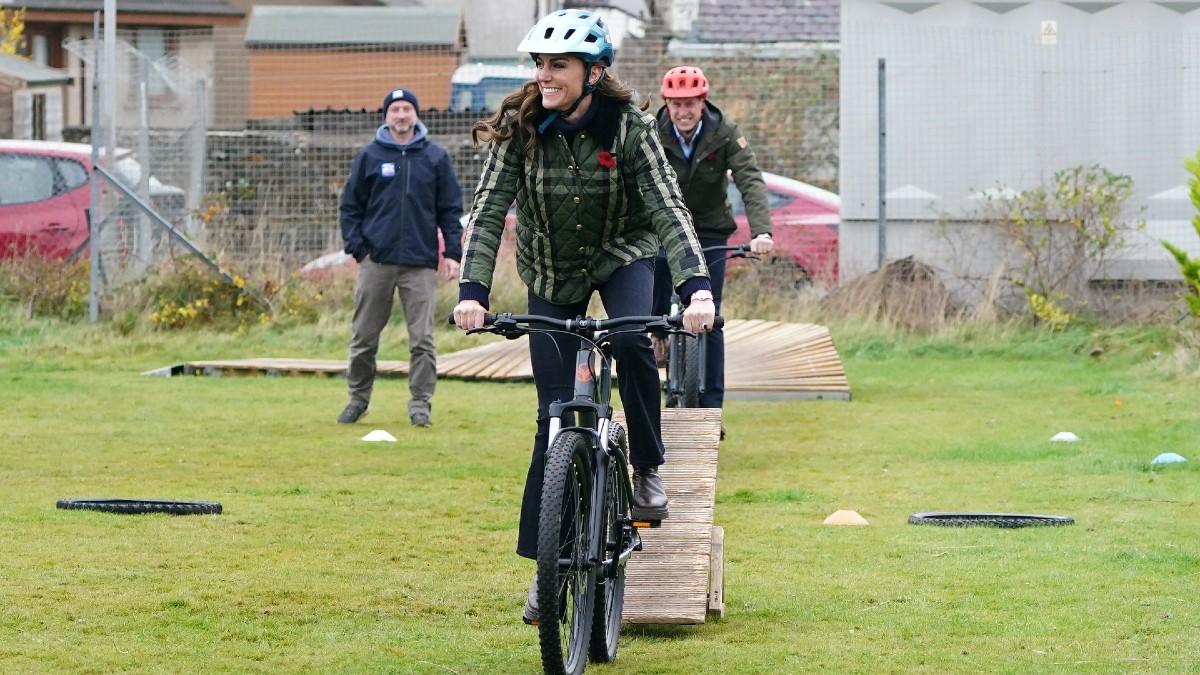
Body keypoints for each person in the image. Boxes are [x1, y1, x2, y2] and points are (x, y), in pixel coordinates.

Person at [450, 9, 715, 622]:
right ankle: (546, 569)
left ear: (593, 73)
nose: (545, 75)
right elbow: (487, 212)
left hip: (623, 254)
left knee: (632, 340)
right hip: (551, 269)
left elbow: (668, 209)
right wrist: (473, 290)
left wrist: (697, 289)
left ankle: (646, 465)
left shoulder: (628, 127)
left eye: (559, 66)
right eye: (540, 64)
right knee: (552, 419)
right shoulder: (522, 125)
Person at [652, 65, 775, 420]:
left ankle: (712, 409)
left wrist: (761, 232)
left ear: (702, 102)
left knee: (711, 316)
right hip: (662, 226)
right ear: (666, 104)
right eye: (676, 104)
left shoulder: (724, 132)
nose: (683, 112)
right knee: (654, 285)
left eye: (690, 103)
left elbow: (749, 178)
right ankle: (658, 334)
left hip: (709, 229)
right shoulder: (652, 132)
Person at [338, 86, 463, 427]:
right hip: (375, 262)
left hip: (420, 264)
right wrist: (359, 249)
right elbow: (350, 208)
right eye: (395, 110)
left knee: (422, 340)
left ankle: (420, 404)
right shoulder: (370, 156)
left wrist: (452, 253)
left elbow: (450, 210)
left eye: (407, 109)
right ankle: (358, 400)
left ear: (416, 115)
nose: (401, 115)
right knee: (364, 338)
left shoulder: (435, 157)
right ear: (386, 116)